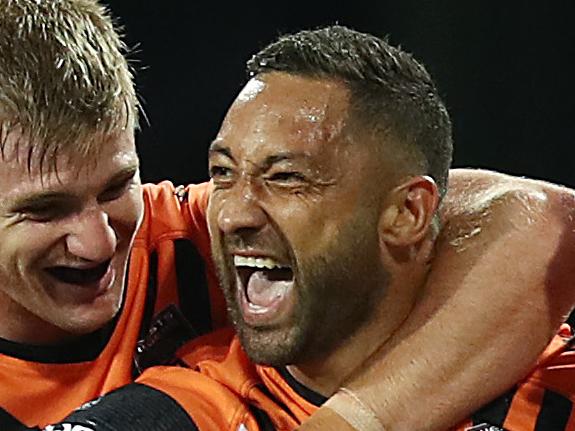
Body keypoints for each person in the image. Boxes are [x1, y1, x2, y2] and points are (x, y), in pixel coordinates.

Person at [0, 2, 572, 429]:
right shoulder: (197, 398)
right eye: (43, 211)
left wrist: (353, 421)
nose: (99, 242)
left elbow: (543, 226)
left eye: (117, 187)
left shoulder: (191, 235)